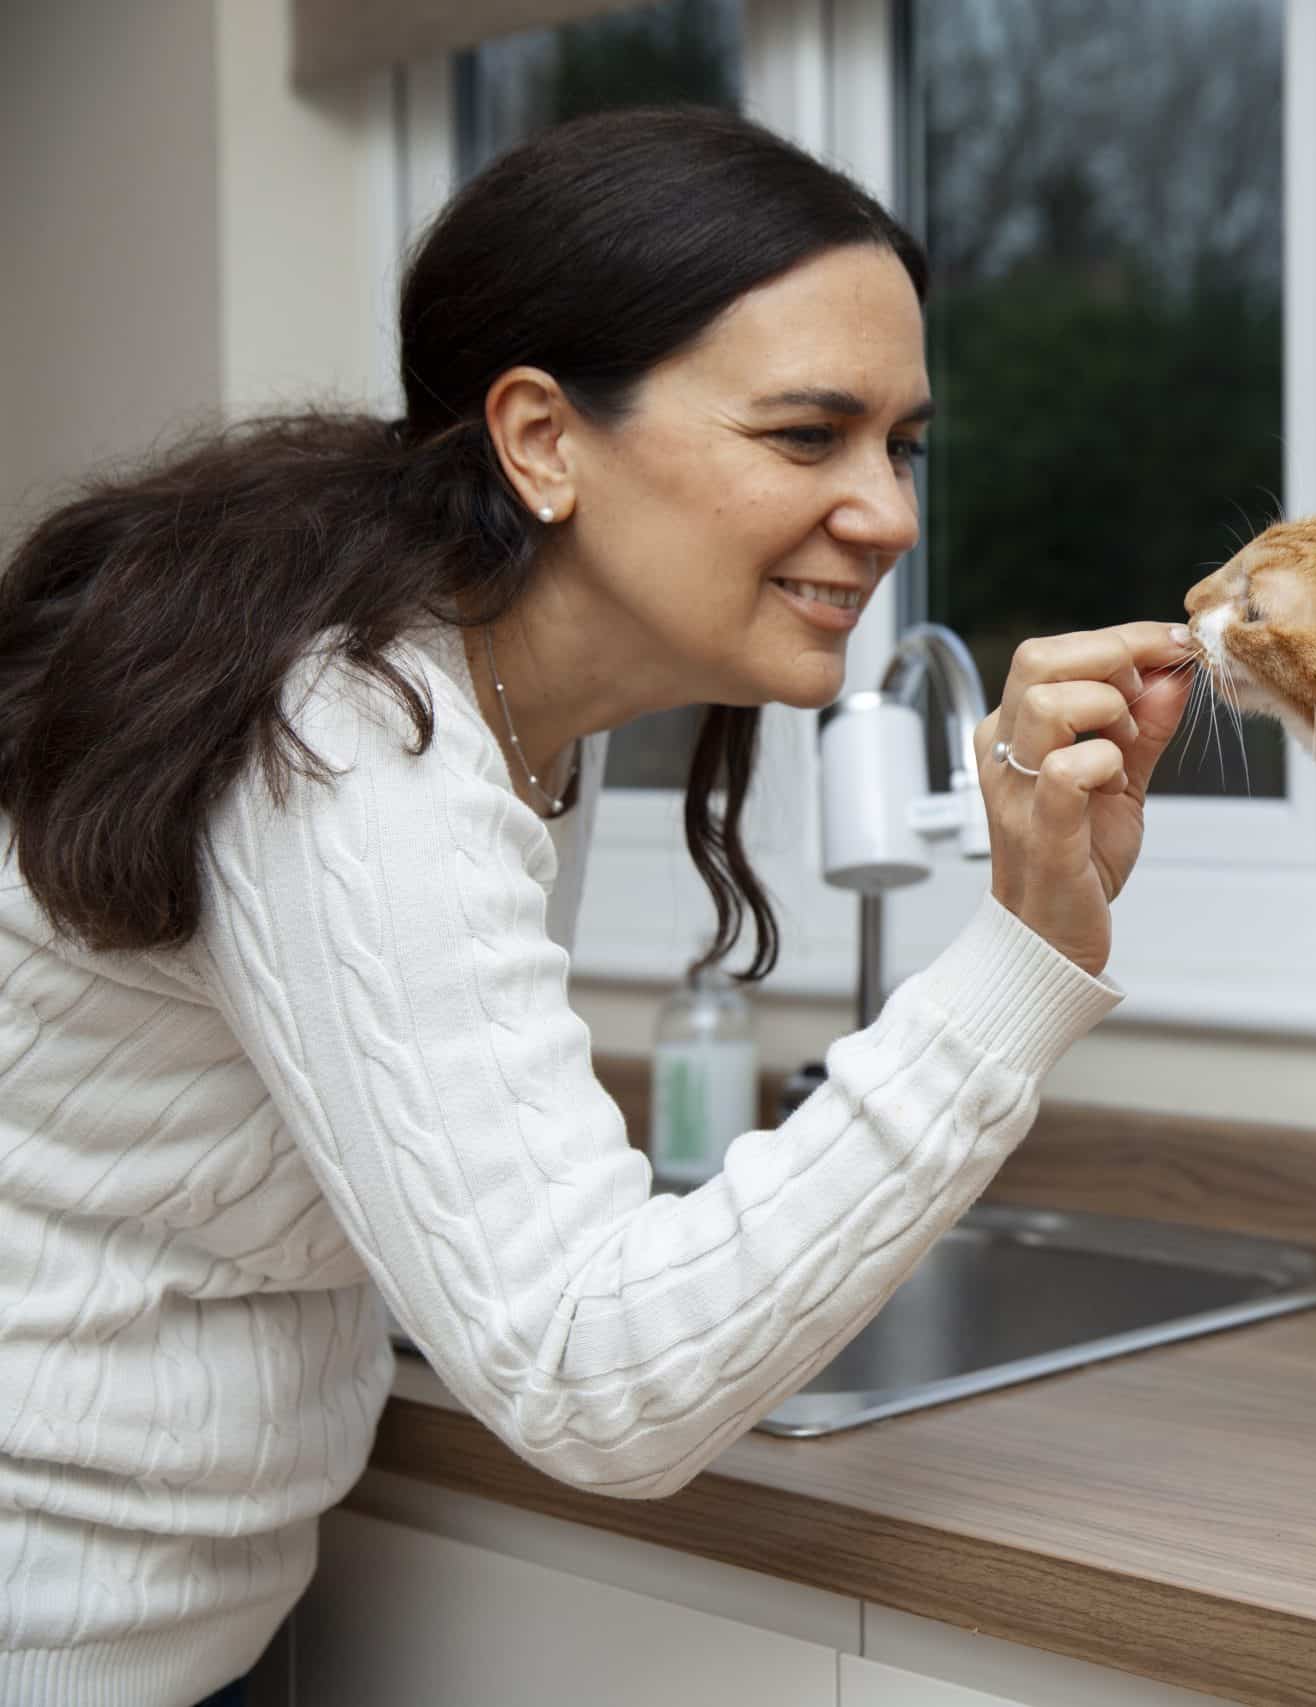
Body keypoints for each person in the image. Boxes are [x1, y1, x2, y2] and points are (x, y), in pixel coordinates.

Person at [0, 108, 1191, 1707]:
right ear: (543, 438)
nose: (892, 514)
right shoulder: (353, 744)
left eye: (900, 445)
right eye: (804, 436)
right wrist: (1023, 960)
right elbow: (593, 1383)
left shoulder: (501, 708)